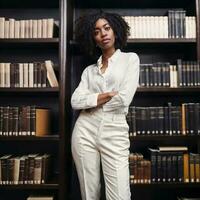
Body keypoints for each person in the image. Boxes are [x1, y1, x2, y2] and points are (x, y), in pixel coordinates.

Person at [71, 11, 140, 200]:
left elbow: (125, 98)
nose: (103, 34)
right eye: (96, 31)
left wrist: (92, 101)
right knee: (89, 193)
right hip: (84, 130)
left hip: (114, 128)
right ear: (93, 38)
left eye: (107, 28)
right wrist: (107, 95)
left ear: (115, 31)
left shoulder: (130, 59)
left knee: (119, 195)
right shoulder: (89, 71)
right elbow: (75, 101)